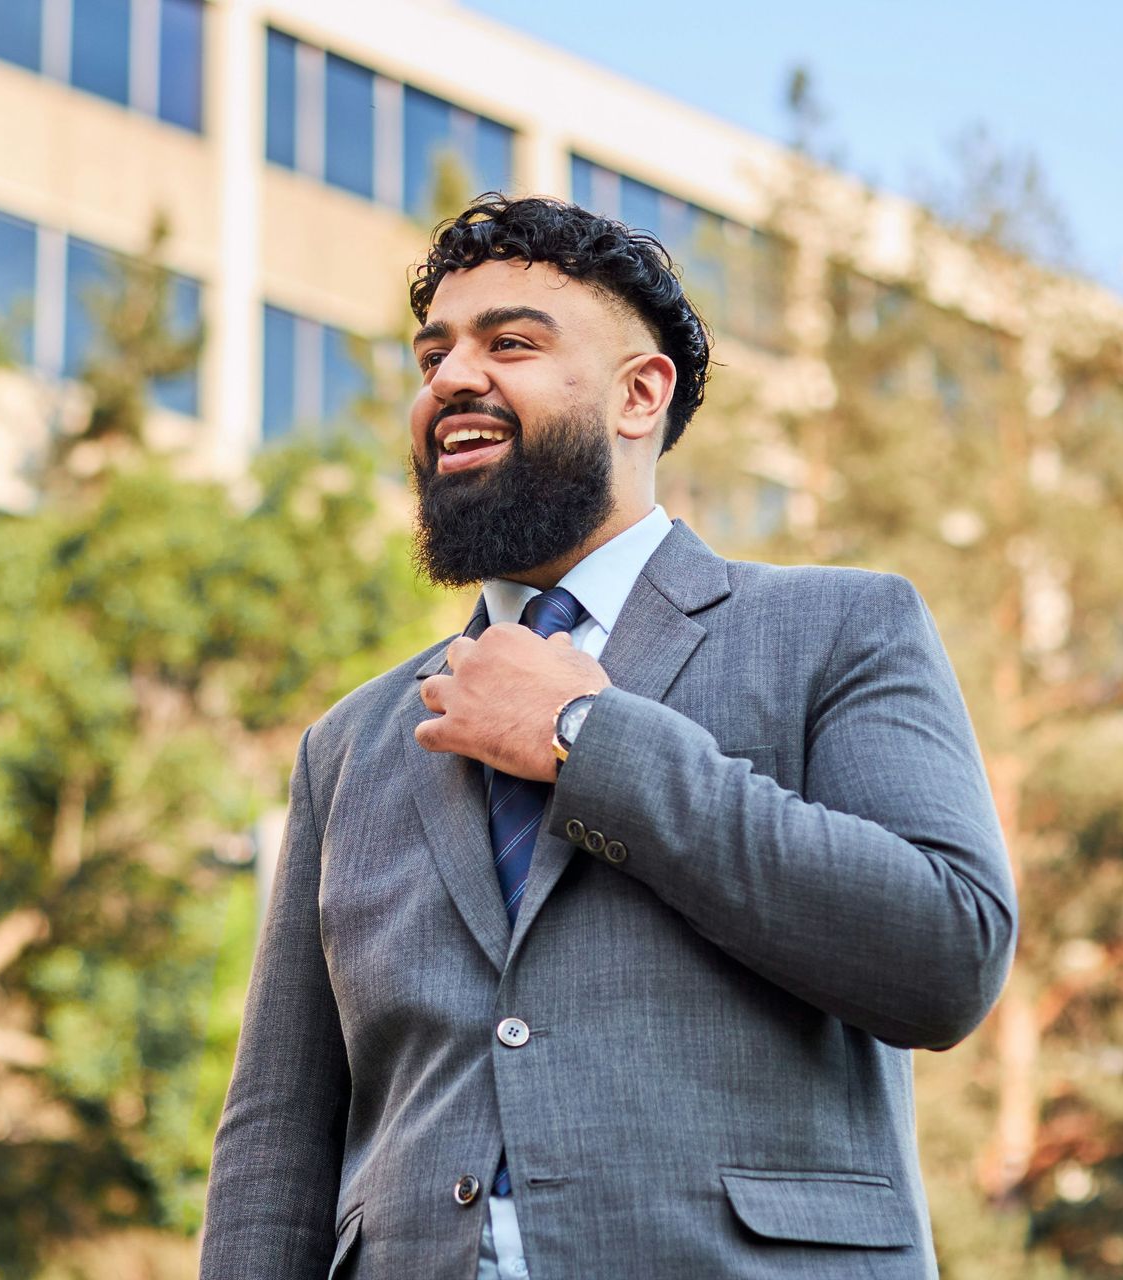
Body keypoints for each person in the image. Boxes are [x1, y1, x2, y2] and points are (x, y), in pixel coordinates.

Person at [200, 196, 1017, 1279]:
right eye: (433, 352)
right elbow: (276, 1136)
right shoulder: (346, 745)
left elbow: (946, 950)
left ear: (641, 395)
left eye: (512, 343)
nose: (449, 378)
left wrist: (587, 736)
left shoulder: (841, 626)